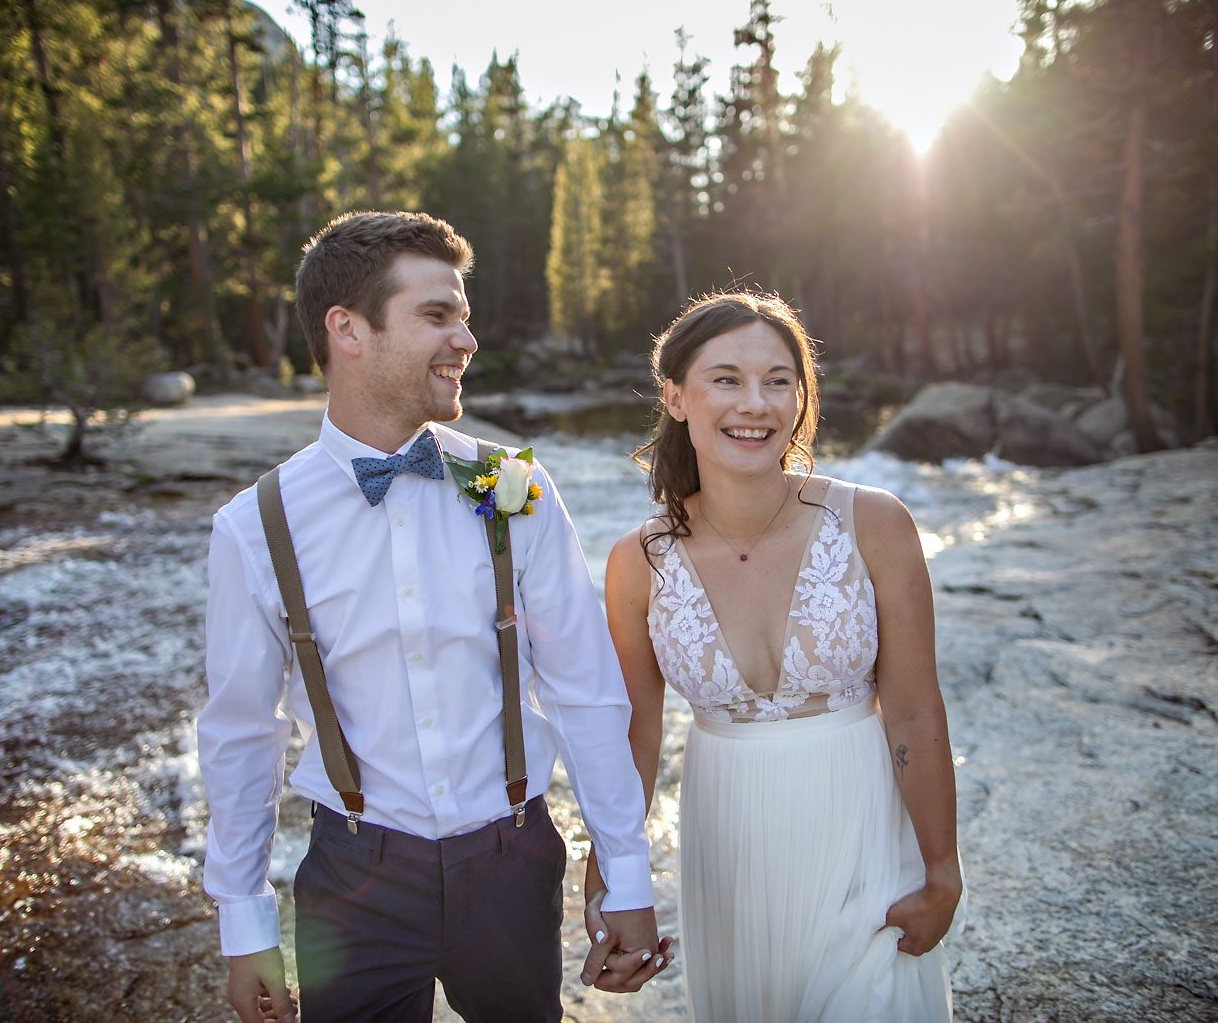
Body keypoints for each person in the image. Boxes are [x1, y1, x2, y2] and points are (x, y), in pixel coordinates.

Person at [198, 210, 669, 1023]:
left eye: (465, 314)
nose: (467, 340)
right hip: (354, 878)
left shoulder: (515, 486)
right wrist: (244, 922)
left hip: (512, 859)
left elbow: (585, 691)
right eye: (437, 314)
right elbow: (243, 730)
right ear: (347, 328)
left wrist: (626, 871)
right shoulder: (255, 524)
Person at [586, 291, 965, 1021]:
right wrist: (608, 879)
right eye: (725, 378)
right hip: (728, 849)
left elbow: (915, 709)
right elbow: (633, 737)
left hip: (862, 838)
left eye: (778, 380)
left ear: (801, 396)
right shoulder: (638, 561)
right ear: (675, 396)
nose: (754, 403)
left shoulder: (875, 523)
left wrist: (942, 871)